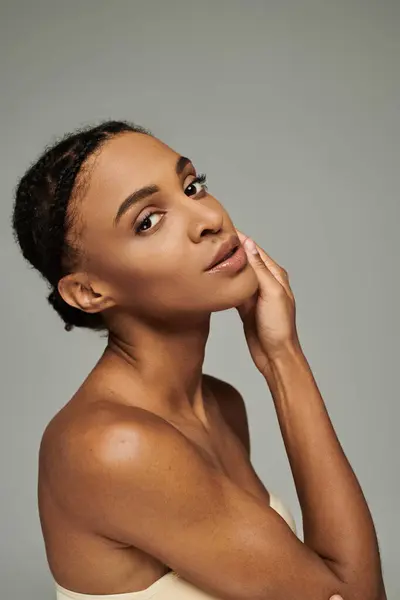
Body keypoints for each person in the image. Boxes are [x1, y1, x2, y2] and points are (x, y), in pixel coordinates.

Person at [11, 121, 386, 600]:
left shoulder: (222, 405)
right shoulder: (113, 446)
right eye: (147, 221)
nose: (207, 218)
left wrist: (280, 357)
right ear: (89, 291)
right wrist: (283, 359)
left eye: (192, 186)